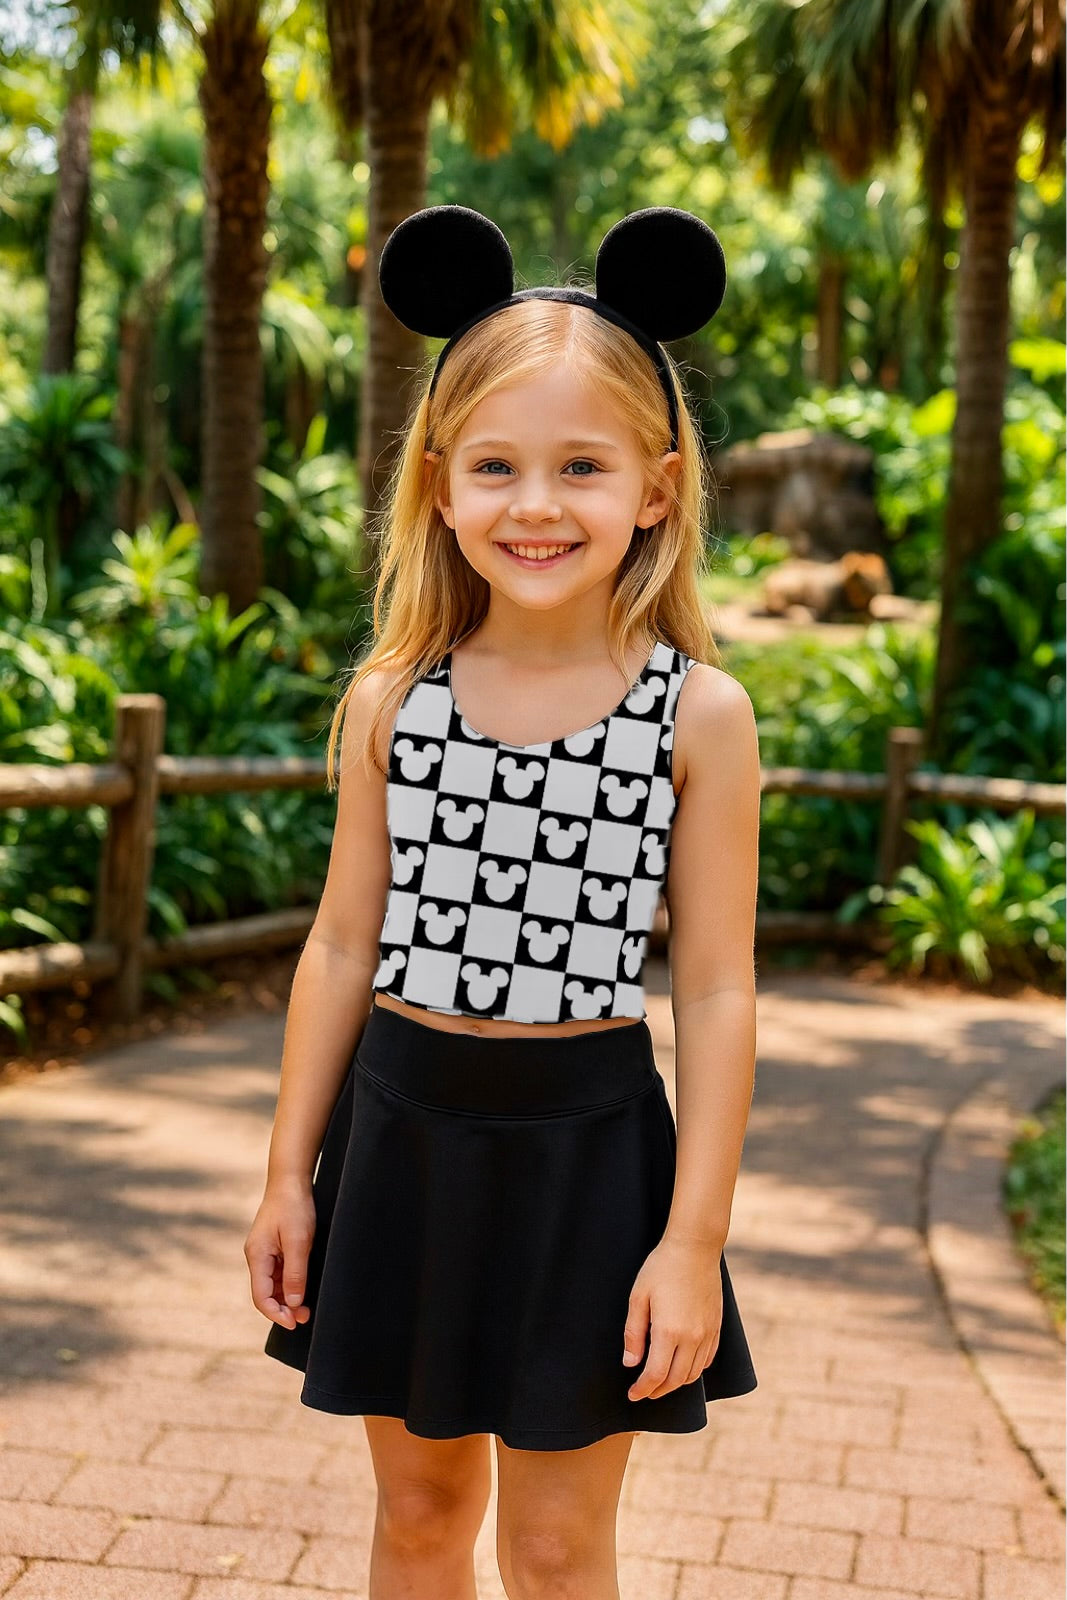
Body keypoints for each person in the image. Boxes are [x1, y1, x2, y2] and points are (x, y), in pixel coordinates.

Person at [245, 203, 761, 1600]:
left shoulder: (697, 716)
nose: (536, 504)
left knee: (552, 1546)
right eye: (496, 466)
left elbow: (717, 988)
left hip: (590, 1163)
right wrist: (288, 1173)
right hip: (401, 1141)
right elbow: (340, 945)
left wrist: (694, 1237)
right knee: (420, 1517)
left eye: (582, 466)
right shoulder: (392, 700)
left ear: (657, 488)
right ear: (437, 483)